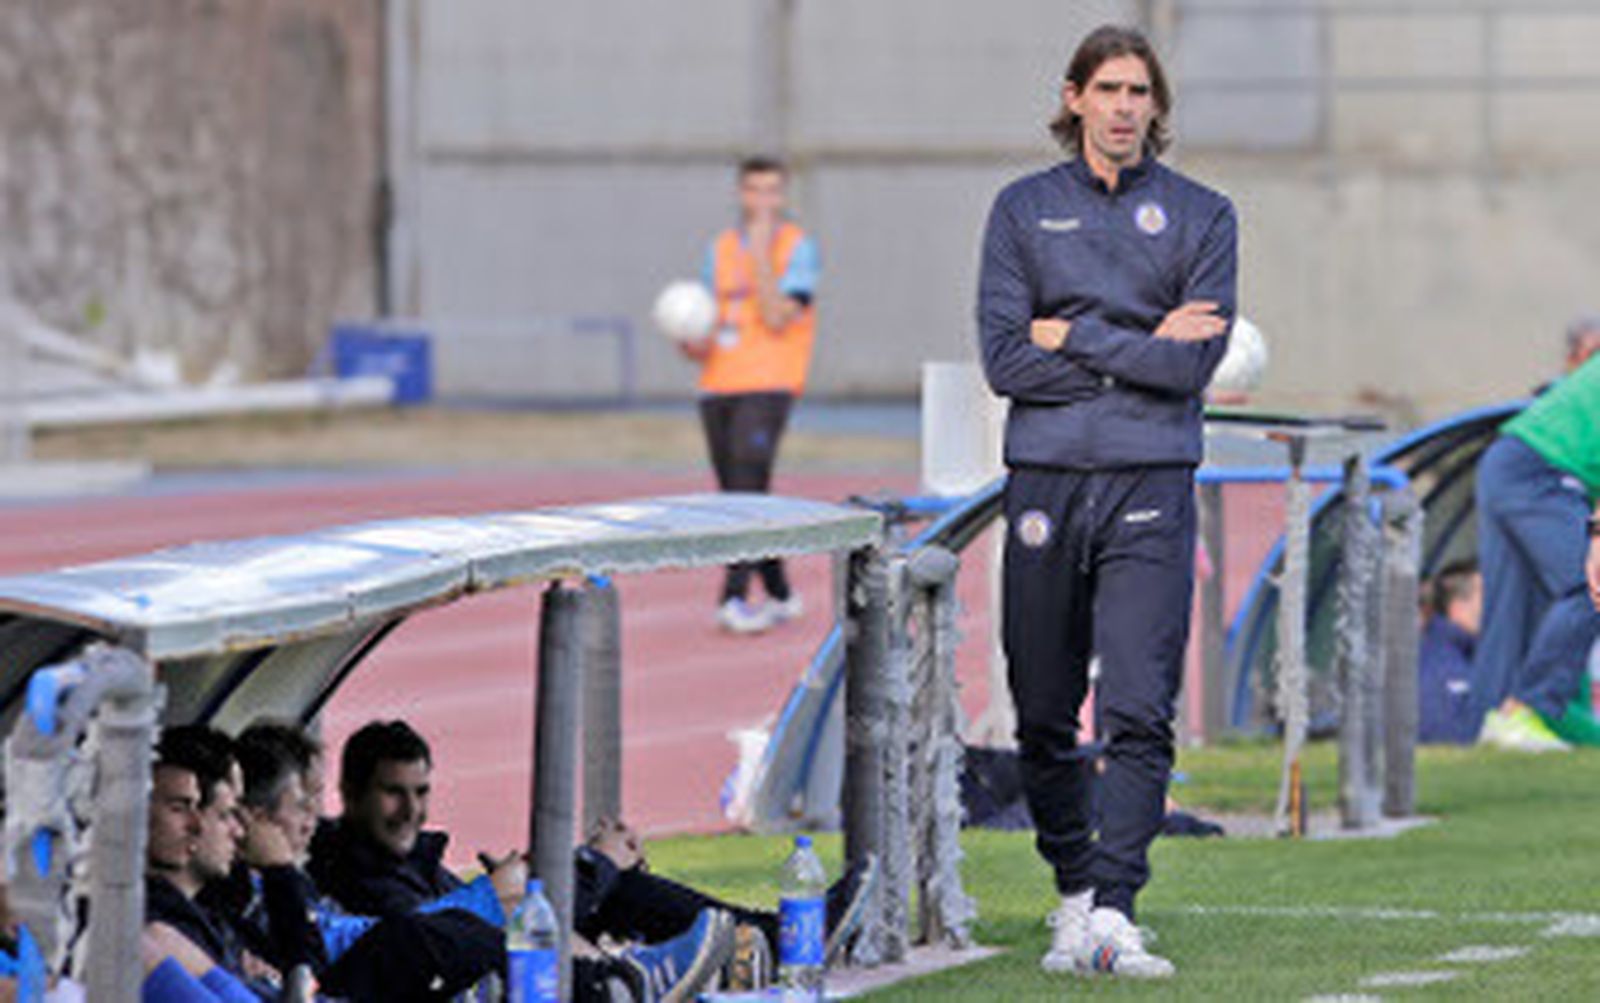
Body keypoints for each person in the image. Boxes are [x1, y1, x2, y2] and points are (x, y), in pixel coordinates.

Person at [976, 24, 1237, 979]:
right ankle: (1074, 890)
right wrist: (1135, 343)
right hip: (1045, 482)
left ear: (1157, 107)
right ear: (1075, 96)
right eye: (1110, 89)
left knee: (1139, 706)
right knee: (1043, 709)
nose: (1126, 106)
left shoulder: (1205, 216)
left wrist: (1072, 336)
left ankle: (1117, 905)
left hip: (1152, 482)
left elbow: (1192, 363)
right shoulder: (1019, 211)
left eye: (1141, 91)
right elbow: (1005, 360)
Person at [679, 156, 819, 634]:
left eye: (772, 191)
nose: (762, 200)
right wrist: (690, 338)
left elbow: (779, 316)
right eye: (754, 191)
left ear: (782, 197)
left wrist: (760, 254)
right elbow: (707, 320)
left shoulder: (796, 248)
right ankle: (780, 591)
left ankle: (733, 597)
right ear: (741, 193)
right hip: (719, 382)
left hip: (769, 381)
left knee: (744, 490)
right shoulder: (719, 248)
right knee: (737, 494)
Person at [1473, 328, 1600, 751]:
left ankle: (1491, 730)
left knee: (1511, 612)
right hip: (1541, 471)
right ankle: (1531, 709)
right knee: (1590, 584)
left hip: (1508, 460)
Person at [1417, 560, 1482, 744]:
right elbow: (1444, 741)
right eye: (1485, 597)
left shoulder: (1464, 656)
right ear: (1457, 606)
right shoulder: (1444, 669)